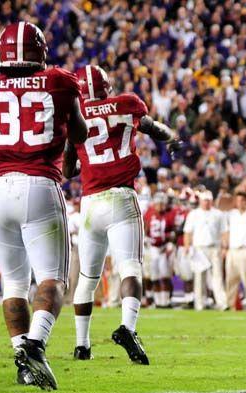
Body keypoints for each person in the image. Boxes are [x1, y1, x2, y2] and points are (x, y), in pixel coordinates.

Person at [65, 64, 178, 365]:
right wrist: (173, 138)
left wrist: (88, 163)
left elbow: (66, 169)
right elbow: (155, 129)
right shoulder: (126, 104)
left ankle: (82, 345)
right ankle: (127, 327)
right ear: (106, 87)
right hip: (121, 197)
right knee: (130, 269)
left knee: (88, 279)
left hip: (90, 203)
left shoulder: (74, 115)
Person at [0, 22, 88, 390]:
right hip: (39, 184)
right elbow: (80, 133)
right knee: (54, 279)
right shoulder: (61, 81)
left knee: (14, 283)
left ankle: (23, 359)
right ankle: (35, 345)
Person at [183, 190, 227, 311]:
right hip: (199, 248)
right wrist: (187, 246)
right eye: (204, 200)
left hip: (214, 247)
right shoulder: (193, 214)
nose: (206, 203)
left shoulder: (218, 214)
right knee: (199, 277)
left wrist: (224, 247)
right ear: (200, 201)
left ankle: (222, 303)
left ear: (212, 201)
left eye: (208, 200)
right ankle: (199, 304)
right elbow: (188, 232)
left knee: (217, 276)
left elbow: (224, 231)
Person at [225, 192, 246, 311]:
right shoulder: (232, 214)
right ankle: (230, 305)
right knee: (230, 279)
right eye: (237, 200)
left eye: (242, 200)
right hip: (232, 250)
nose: (239, 203)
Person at [143, 193, 175, 309]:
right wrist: (145, 238)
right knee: (154, 276)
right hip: (152, 248)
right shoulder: (149, 213)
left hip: (164, 247)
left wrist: (171, 242)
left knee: (165, 275)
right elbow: (145, 227)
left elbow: (174, 230)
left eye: (162, 203)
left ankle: (165, 301)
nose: (161, 206)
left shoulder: (170, 214)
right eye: (159, 203)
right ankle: (157, 300)